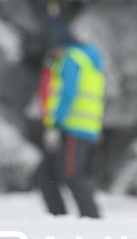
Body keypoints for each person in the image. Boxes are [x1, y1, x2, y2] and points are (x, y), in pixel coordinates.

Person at [36, 31, 105, 218]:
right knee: (45, 174)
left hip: (74, 127)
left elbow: (67, 93)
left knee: (71, 174)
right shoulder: (86, 61)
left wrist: (55, 124)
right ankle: (59, 218)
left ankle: (92, 219)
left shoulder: (72, 59)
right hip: (80, 128)